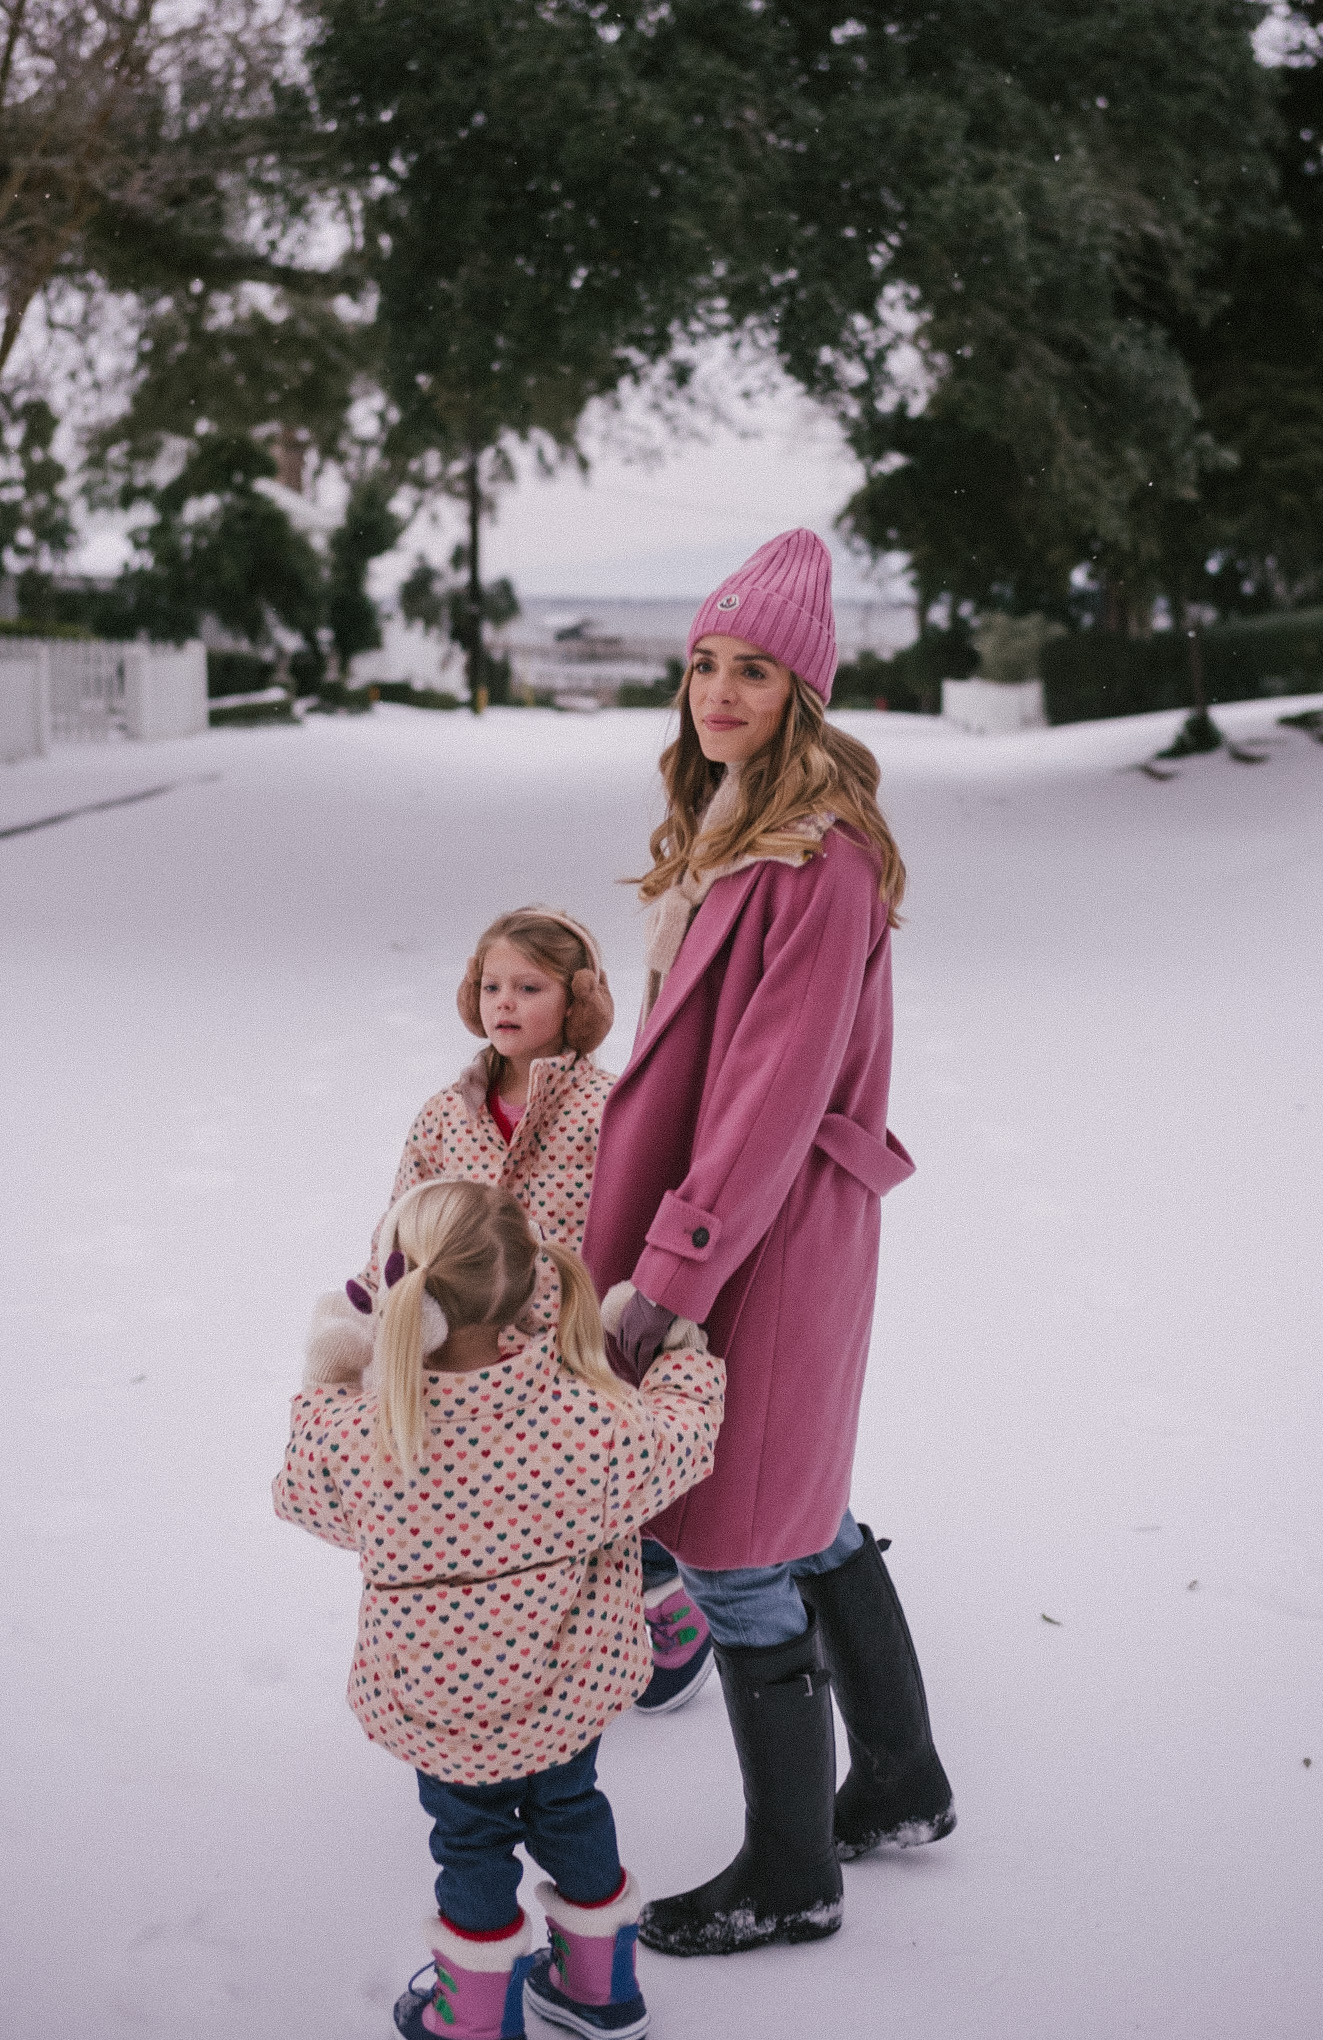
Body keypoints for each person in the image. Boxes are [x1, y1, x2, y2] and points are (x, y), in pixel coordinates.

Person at [583, 528, 956, 1959]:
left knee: (740, 1546)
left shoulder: (819, 858)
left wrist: (664, 1283)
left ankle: (792, 1873)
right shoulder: (735, 824)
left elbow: (763, 1100)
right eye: (703, 663)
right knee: (809, 1512)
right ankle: (906, 1785)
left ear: (805, 692)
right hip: (746, 1226)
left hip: (762, 1240)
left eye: (753, 670)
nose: (720, 692)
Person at [274, 1178, 725, 2040]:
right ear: (529, 1286)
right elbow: (684, 1437)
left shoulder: (367, 1431)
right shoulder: (589, 1423)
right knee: (573, 1810)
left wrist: (333, 1370)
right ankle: (601, 1989)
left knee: (470, 1844)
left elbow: (302, 1494)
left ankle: (473, 2017)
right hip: (566, 1697)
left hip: (441, 1709)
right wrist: (680, 1354)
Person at [304, 904, 718, 1714]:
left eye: (530, 987)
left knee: (595, 1490)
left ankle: (658, 1595)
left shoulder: (613, 1108)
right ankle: (528, 1633)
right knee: (495, 1502)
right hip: (458, 1347)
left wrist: (635, 1312)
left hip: (571, 1345)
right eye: (492, 985)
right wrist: (379, 1302)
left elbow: (642, 1215)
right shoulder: (442, 1115)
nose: (505, 1002)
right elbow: (402, 1219)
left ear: (578, 1000)